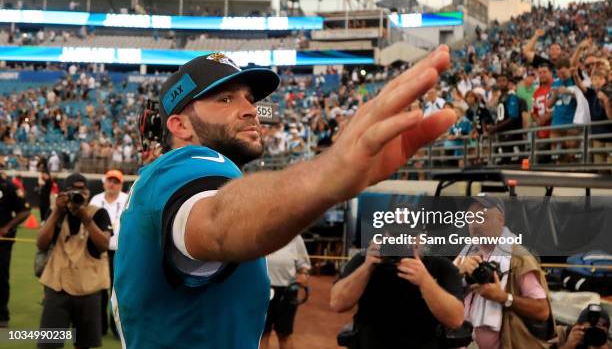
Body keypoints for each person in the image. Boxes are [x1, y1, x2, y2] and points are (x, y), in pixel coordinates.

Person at [112, 47, 456, 349]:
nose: (250, 110)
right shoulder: (187, 166)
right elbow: (216, 222)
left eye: (249, 98)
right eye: (225, 98)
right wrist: (325, 173)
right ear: (180, 126)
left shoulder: (158, 181)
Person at [330, 233, 464, 348]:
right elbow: (337, 303)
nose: (402, 240)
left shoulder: (440, 266)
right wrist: (366, 267)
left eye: (409, 235)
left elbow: (455, 320)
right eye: (395, 235)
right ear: (384, 235)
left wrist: (425, 281)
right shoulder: (366, 260)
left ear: (422, 237)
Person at [454, 195, 553, 349]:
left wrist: (503, 298)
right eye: (470, 218)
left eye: (482, 217)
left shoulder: (519, 259)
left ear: (500, 219)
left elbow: (542, 311)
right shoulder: (466, 253)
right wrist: (458, 274)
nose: (474, 224)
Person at [36, 173, 112, 349]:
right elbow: (41, 243)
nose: (80, 194)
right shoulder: (56, 212)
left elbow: (103, 245)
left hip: (88, 288)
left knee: (84, 344)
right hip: (57, 286)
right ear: (64, 192)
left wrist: (85, 217)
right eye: (75, 190)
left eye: (83, 189)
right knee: (50, 344)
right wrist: (56, 211)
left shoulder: (98, 212)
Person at [89, 169, 128, 337]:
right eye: (109, 181)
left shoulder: (127, 199)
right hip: (99, 252)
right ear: (104, 182)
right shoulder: (96, 200)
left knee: (117, 292)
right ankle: (100, 327)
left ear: (120, 184)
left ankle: (116, 327)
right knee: (98, 290)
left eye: (116, 181)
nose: (112, 184)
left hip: (120, 253)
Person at [260, 235, 311, 349]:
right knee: (262, 333)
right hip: (262, 290)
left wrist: (303, 274)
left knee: (285, 334)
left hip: (287, 291)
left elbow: (304, 266)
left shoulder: (295, 237)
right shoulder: (260, 232)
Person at [0, 171, 31, 328]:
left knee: (1, 276)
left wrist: (7, 227)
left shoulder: (9, 187)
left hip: (2, 240)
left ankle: (2, 315)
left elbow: (25, 210)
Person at [488, 75, 528, 164]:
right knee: (505, 160)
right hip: (503, 135)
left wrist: (496, 128)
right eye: (499, 81)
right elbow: (501, 116)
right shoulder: (501, 98)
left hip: (513, 135)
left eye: (503, 80)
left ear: (508, 83)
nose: (501, 83)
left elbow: (513, 117)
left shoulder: (512, 97)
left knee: (515, 162)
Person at [546, 58, 578, 163]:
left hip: (572, 123)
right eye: (559, 73)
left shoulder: (575, 81)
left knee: (571, 154)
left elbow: (585, 100)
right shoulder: (555, 83)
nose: (561, 75)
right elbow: (549, 105)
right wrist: (555, 95)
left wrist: (570, 93)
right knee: (556, 157)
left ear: (569, 69)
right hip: (557, 123)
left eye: (563, 72)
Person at [532, 62, 554, 164]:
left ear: (551, 72)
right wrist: (538, 120)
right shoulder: (536, 92)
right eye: (540, 73)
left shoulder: (556, 86)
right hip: (542, 133)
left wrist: (548, 116)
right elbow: (533, 111)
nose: (542, 75)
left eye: (544, 72)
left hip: (555, 130)